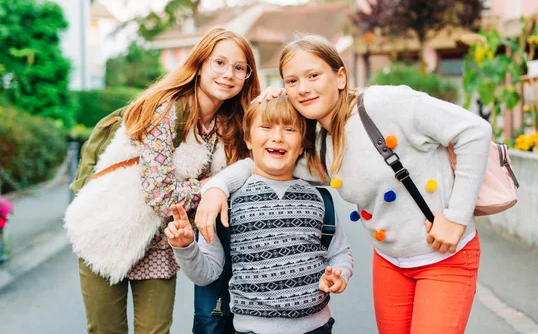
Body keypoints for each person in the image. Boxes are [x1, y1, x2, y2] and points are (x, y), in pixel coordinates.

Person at [195, 34, 492, 334]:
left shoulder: (384, 104)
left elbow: (474, 131)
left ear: (340, 77)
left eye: (313, 75)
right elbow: (262, 163)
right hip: (391, 262)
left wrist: (457, 217)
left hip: (444, 256)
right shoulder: (321, 145)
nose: (304, 88)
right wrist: (217, 187)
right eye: (293, 81)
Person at [69, 27, 261, 334]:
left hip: (161, 244)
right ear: (199, 65)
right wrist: (213, 186)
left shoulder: (230, 123)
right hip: (109, 230)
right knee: (105, 331)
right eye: (220, 63)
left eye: (240, 68)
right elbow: (160, 194)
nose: (229, 74)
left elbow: (262, 153)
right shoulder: (166, 111)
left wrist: (279, 97)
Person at [165, 96, 353, 334]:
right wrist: (185, 247)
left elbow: (340, 252)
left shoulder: (319, 199)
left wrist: (339, 274)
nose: (277, 137)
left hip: (318, 327)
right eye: (266, 127)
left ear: (303, 142)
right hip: (252, 330)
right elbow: (207, 274)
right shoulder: (228, 200)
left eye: (289, 129)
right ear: (248, 139)